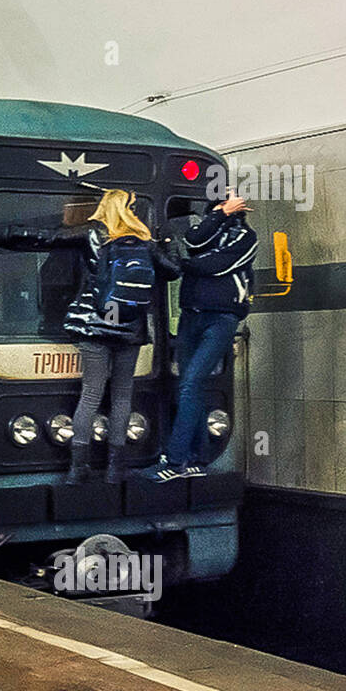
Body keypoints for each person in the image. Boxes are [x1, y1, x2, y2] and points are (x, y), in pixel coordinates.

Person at [0, 189, 180, 485]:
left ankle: (78, 468)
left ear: (105, 209)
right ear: (129, 210)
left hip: (96, 324)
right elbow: (172, 270)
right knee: (121, 396)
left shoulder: (94, 235)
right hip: (130, 328)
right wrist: (169, 242)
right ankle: (116, 470)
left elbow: (45, 236)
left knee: (90, 394)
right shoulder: (145, 241)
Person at [142, 190, 256, 482]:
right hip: (191, 315)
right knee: (189, 385)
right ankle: (198, 457)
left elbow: (214, 266)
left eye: (227, 206)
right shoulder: (206, 230)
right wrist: (218, 217)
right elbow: (194, 241)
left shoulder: (245, 238)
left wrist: (185, 263)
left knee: (191, 382)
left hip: (221, 319)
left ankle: (174, 460)